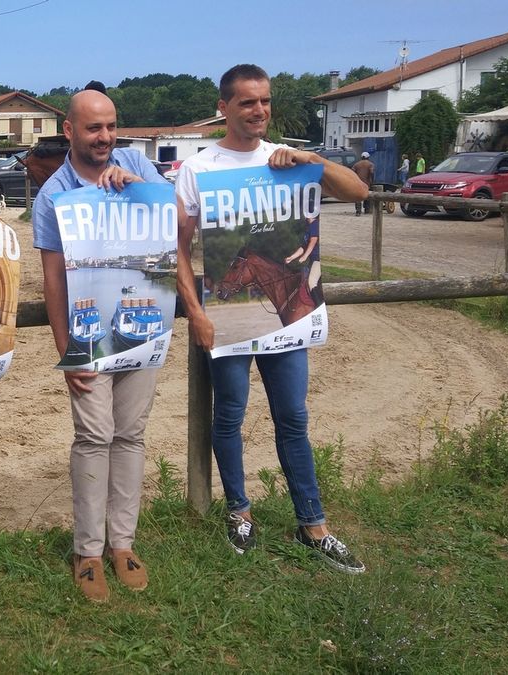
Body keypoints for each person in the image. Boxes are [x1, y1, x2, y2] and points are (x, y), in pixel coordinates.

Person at [174, 64, 369, 574]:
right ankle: (239, 512)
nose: (258, 110)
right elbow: (176, 246)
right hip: (228, 316)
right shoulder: (200, 168)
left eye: (264, 101)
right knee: (230, 416)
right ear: (224, 108)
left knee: (294, 419)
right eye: (247, 102)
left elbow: (359, 193)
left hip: (288, 321)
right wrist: (195, 312)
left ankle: (315, 524)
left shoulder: (289, 160)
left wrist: (312, 160)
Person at [32, 88, 168, 602]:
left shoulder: (136, 161)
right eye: (94, 128)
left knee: (131, 434)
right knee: (94, 436)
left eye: (110, 126)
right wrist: (67, 351)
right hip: (90, 336)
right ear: (70, 131)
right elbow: (51, 282)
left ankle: (123, 543)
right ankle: (88, 551)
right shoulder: (53, 196)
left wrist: (139, 187)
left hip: (144, 324)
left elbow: (177, 222)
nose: (105, 137)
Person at [352, 151, 375, 216]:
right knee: (366, 196)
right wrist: (372, 181)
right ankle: (367, 210)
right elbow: (372, 172)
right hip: (366, 183)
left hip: (358, 183)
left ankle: (358, 211)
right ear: (368, 157)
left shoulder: (356, 164)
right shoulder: (370, 164)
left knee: (358, 197)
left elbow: (352, 172)